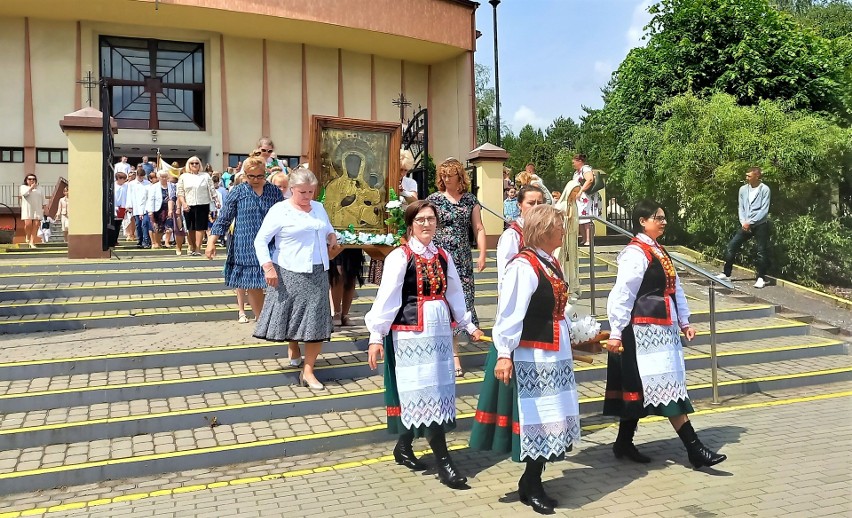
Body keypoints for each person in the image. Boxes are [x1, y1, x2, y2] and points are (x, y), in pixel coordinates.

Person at [470, 205, 586, 515]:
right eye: (559, 226)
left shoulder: (548, 262)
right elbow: (510, 313)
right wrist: (504, 354)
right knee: (540, 416)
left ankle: (533, 479)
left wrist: (574, 334)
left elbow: (555, 309)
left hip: (553, 352)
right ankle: (531, 484)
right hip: (533, 354)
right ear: (545, 230)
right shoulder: (524, 266)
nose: (563, 231)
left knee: (552, 415)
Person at [365, 199, 484, 490]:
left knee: (434, 394)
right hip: (410, 335)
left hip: (440, 331)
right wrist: (375, 336)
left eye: (431, 219)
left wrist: (468, 324)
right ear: (410, 225)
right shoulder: (400, 256)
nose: (427, 224)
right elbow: (387, 299)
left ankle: (403, 447)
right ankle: (444, 462)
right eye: (421, 220)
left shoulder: (443, 255)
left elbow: (454, 292)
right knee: (421, 393)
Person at [604, 200, 727, 470]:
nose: (663, 221)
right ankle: (695, 449)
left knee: (641, 387)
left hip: (662, 327)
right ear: (642, 221)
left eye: (663, 217)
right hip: (642, 328)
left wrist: (684, 321)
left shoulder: (658, 250)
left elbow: (676, 289)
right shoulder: (635, 253)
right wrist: (615, 331)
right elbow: (623, 294)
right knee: (664, 388)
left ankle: (623, 443)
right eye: (657, 217)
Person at [253, 168, 340, 390]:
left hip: (318, 270)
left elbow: (328, 229)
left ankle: (308, 371)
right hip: (289, 270)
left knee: (316, 321)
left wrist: (331, 237)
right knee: (293, 314)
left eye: (311, 191)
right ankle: (293, 344)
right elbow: (261, 240)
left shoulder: (318, 208)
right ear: (292, 189)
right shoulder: (280, 210)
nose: (307, 196)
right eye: (303, 192)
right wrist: (268, 267)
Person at [427, 158, 487, 377]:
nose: (445, 179)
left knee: (462, 303)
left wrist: (482, 254)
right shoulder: (434, 199)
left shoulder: (470, 200)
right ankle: (452, 356)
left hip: (461, 259)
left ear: (459, 177)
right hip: (439, 258)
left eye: (449, 175)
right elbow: (424, 223)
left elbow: (478, 228)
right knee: (442, 302)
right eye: (442, 175)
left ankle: (453, 350)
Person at [207, 157, 283, 323]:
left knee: (273, 282)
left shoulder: (275, 192)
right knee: (253, 284)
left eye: (259, 176)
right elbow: (224, 219)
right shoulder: (238, 191)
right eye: (251, 176)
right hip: (245, 244)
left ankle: (272, 318)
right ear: (245, 174)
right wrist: (211, 241)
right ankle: (262, 319)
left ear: (265, 174)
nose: (255, 180)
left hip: (271, 243)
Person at [718, 167, 771, 288]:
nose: (746, 178)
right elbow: (740, 207)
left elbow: (764, 210)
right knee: (732, 246)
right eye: (746, 175)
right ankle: (726, 273)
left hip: (760, 224)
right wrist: (743, 222)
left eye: (749, 176)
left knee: (761, 251)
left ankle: (761, 278)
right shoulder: (743, 189)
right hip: (745, 224)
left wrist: (751, 222)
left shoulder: (764, 189)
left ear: (756, 176)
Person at [496, 185, 544, 289]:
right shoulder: (512, 235)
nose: (536, 207)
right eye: (531, 203)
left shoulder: (544, 232)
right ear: (519, 205)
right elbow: (506, 274)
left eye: (539, 203)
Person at [177, 156, 219, 256]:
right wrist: (183, 203)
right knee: (190, 227)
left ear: (200, 165)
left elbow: (211, 189)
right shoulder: (184, 177)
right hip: (189, 204)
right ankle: (191, 246)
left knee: (200, 227)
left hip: (202, 203)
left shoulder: (205, 176)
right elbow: (180, 192)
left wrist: (216, 200)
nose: (194, 165)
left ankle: (198, 248)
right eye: (192, 163)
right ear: (189, 165)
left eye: (196, 163)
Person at [554, 179, 583, 300]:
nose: (575, 194)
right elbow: (557, 221)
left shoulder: (574, 205)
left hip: (571, 238)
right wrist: (567, 219)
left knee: (571, 262)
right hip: (563, 238)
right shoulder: (562, 205)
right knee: (561, 260)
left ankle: (571, 286)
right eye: (574, 191)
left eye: (577, 191)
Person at [572, 154, 601, 245]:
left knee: (587, 217)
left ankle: (589, 239)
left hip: (586, 197)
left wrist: (581, 191)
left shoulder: (586, 169)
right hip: (580, 198)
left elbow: (590, 180)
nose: (573, 164)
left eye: (574, 162)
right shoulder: (577, 172)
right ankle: (584, 239)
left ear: (579, 161)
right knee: (580, 218)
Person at [146, 171, 175, 250]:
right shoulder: (154, 187)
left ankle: (167, 242)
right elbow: (151, 200)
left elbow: (173, 197)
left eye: (165, 176)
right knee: (158, 228)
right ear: (158, 178)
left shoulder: (172, 186)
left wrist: (171, 209)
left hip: (169, 209)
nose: (164, 178)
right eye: (162, 177)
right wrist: (150, 211)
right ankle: (157, 243)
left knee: (169, 227)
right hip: (157, 210)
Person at [19, 173, 46, 248]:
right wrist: (31, 188)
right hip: (27, 208)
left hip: (37, 209)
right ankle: (27, 236)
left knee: (36, 225)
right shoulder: (23, 187)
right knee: (28, 224)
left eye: (33, 179)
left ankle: (32, 241)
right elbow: (24, 194)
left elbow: (43, 199)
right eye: (30, 179)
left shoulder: (40, 188)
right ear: (26, 180)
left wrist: (45, 208)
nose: (32, 180)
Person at [127, 169, 152, 248]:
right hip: (136, 207)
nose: (140, 178)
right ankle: (140, 240)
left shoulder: (148, 184)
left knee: (145, 224)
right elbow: (129, 195)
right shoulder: (131, 184)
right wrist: (129, 206)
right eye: (139, 176)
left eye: (142, 177)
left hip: (146, 206)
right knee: (138, 224)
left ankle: (146, 241)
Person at [109, 172, 129, 248]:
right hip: (114, 207)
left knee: (118, 225)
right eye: (123, 179)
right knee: (113, 225)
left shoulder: (126, 186)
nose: (124, 180)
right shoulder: (113, 186)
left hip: (122, 207)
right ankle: (111, 241)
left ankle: (115, 240)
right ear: (119, 179)